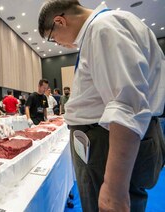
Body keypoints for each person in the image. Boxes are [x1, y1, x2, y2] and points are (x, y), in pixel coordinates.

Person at [38, 1, 165, 211]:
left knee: (109, 204)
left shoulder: (103, 28)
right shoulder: (105, 27)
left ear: (59, 21)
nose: (57, 43)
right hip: (104, 141)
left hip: (105, 143)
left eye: (53, 38)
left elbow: (127, 106)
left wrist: (115, 186)